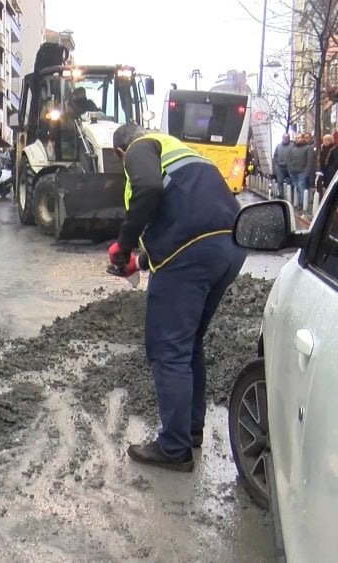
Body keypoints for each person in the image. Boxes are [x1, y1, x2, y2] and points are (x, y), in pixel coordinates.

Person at [108, 123, 245, 473]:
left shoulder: (140, 147)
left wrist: (124, 244)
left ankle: (173, 447)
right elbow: (180, 228)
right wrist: (137, 261)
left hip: (193, 252)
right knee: (189, 341)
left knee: (168, 348)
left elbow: (148, 190)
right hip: (229, 247)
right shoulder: (181, 152)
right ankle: (190, 431)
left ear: (120, 153)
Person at [288, 133, 312, 208]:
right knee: (297, 188)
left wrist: (306, 172)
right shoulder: (293, 149)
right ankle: (299, 204)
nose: (297, 139)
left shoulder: (308, 148)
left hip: (302, 172)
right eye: (296, 138)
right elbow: (289, 160)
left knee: (302, 188)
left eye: (298, 138)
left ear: (302, 138)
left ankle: (302, 204)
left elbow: (310, 161)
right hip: (293, 172)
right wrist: (290, 170)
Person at [273, 134, 293, 199]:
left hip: (288, 166)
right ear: (282, 138)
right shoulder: (278, 146)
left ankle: (290, 195)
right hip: (279, 167)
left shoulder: (292, 146)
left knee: (289, 182)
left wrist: (290, 163)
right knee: (280, 181)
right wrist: (276, 163)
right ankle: (281, 195)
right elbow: (275, 155)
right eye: (284, 137)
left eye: (287, 138)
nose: (285, 139)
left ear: (289, 138)